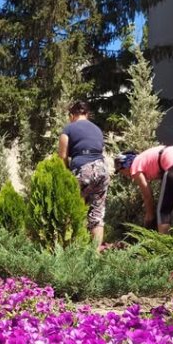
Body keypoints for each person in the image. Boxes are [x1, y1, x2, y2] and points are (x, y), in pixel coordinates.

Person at [114, 146, 173, 233]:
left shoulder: (134, 167)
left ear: (125, 166)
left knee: (163, 212)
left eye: (121, 172)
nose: (125, 175)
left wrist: (149, 215)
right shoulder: (143, 158)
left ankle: (164, 246)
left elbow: (147, 196)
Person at [58, 101, 110, 248]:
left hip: (83, 170)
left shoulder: (68, 129)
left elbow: (62, 156)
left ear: (71, 115)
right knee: (97, 214)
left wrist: (66, 174)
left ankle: (72, 250)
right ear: (87, 114)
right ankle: (95, 254)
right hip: (102, 170)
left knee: (71, 210)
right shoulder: (97, 129)